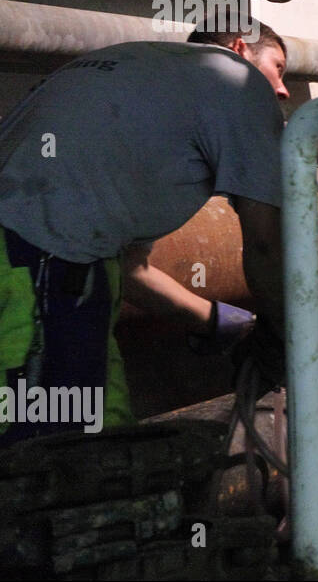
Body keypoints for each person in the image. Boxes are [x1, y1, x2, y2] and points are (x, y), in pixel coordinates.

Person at [0, 25, 288, 445]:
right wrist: (283, 340)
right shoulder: (239, 83)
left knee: (102, 436)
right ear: (239, 48)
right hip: (37, 272)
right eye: (277, 68)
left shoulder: (139, 72)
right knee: (55, 463)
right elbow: (266, 243)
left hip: (54, 269)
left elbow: (132, 271)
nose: (281, 89)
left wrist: (223, 324)